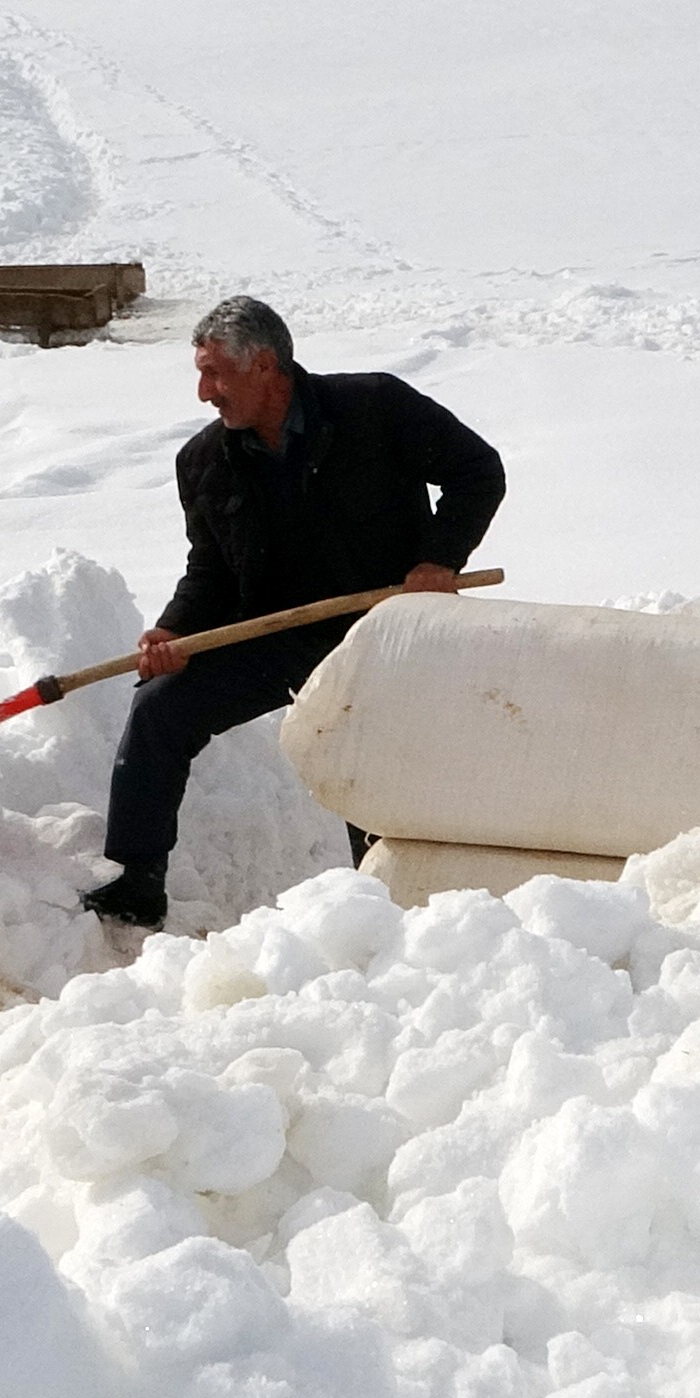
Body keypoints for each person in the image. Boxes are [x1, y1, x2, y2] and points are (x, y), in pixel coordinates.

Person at [83, 297, 505, 927]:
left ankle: (378, 909)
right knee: (160, 708)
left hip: (382, 631)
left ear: (265, 366)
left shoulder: (375, 409)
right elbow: (212, 569)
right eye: (200, 374)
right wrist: (175, 629)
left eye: (216, 373)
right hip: (278, 635)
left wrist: (438, 560)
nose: (204, 393)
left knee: (358, 750)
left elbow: (478, 471)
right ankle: (136, 882)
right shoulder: (204, 462)